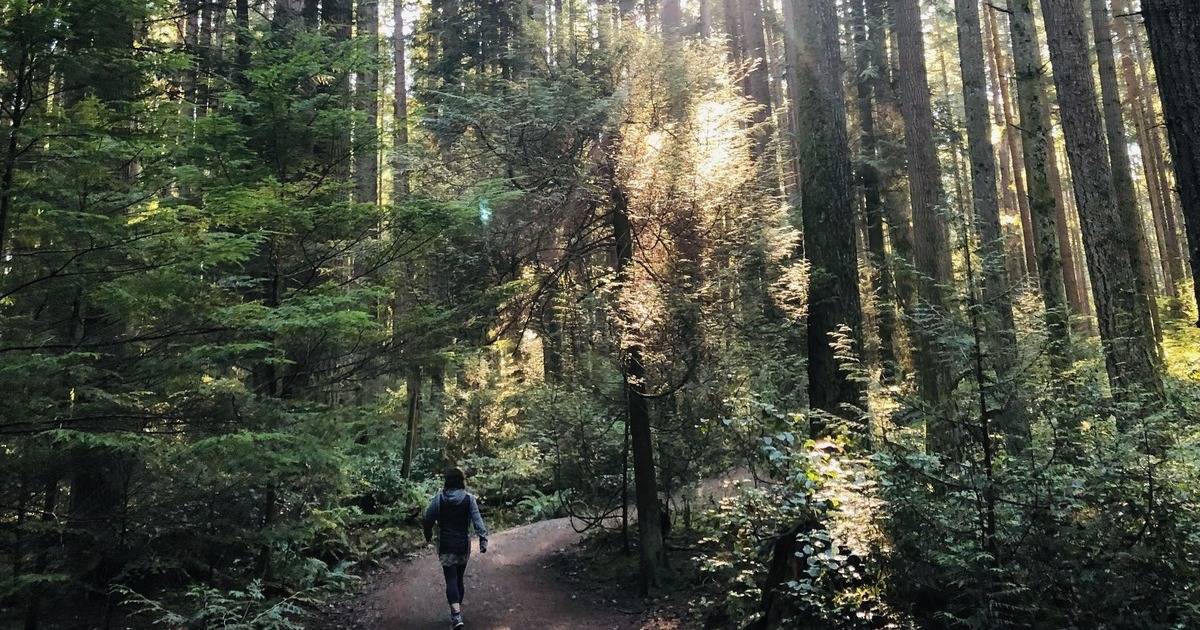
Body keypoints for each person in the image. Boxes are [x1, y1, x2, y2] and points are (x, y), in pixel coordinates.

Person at [423, 466, 488, 629]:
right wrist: (483, 539)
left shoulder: (439, 499)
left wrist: (428, 534)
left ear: (447, 481)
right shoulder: (469, 499)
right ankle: (457, 612)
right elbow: (477, 520)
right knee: (459, 578)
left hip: (445, 544)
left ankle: (456, 615)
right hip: (462, 545)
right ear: (461, 481)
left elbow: (427, 517)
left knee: (450, 579)